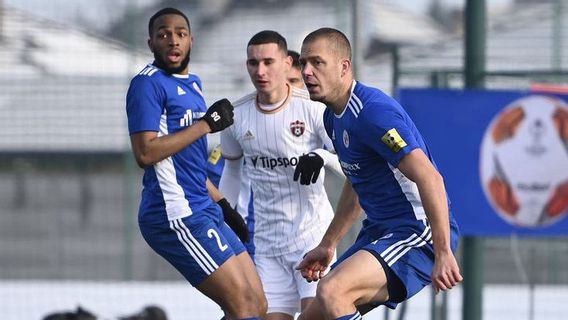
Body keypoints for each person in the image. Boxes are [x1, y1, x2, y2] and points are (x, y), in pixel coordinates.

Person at [294, 27, 462, 320]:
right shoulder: (333, 118)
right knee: (312, 316)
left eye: (317, 63)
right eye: (303, 63)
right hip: (380, 230)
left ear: (344, 66)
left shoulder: (372, 113)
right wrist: (328, 244)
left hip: (417, 231)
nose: (306, 72)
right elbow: (358, 183)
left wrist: (443, 251)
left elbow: (430, 177)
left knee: (333, 291)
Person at [125, 8, 266, 319]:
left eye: (180, 33)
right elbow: (145, 153)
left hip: (204, 206)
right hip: (175, 213)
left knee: (258, 304)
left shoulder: (194, 83)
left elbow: (187, 164)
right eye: (163, 34)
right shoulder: (147, 84)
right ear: (151, 43)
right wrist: (205, 125)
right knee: (243, 305)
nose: (172, 40)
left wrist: (224, 206)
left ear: (191, 40)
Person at [219, 30, 342, 320]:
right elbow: (232, 173)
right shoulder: (236, 116)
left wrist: (320, 156)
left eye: (268, 62)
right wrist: (225, 217)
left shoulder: (313, 107)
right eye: (253, 63)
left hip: (312, 239)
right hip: (267, 246)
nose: (260, 71)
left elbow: (347, 159)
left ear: (288, 63)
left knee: (315, 315)